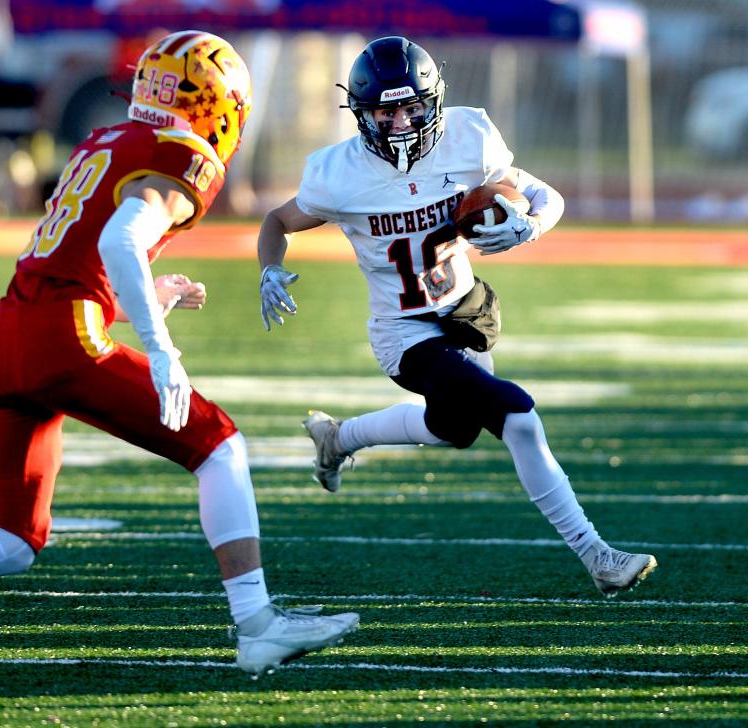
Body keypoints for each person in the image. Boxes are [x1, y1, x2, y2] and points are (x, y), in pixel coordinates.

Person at [0, 30, 358, 677]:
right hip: (61, 335)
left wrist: (132, 299)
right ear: (217, 106)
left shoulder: (104, 140)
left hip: (9, 333)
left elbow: (74, 258)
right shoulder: (182, 152)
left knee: (13, 538)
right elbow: (121, 239)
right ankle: (257, 625)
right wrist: (160, 346)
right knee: (219, 445)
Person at [257, 36, 657, 598]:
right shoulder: (338, 173)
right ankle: (597, 555)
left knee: (454, 429)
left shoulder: (469, 137)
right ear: (361, 112)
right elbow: (277, 220)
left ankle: (338, 439)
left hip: (467, 314)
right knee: (517, 415)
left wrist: (530, 224)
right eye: (385, 110)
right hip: (405, 331)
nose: (400, 122)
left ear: (434, 102)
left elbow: (545, 197)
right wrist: (270, 269)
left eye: (411, 107)